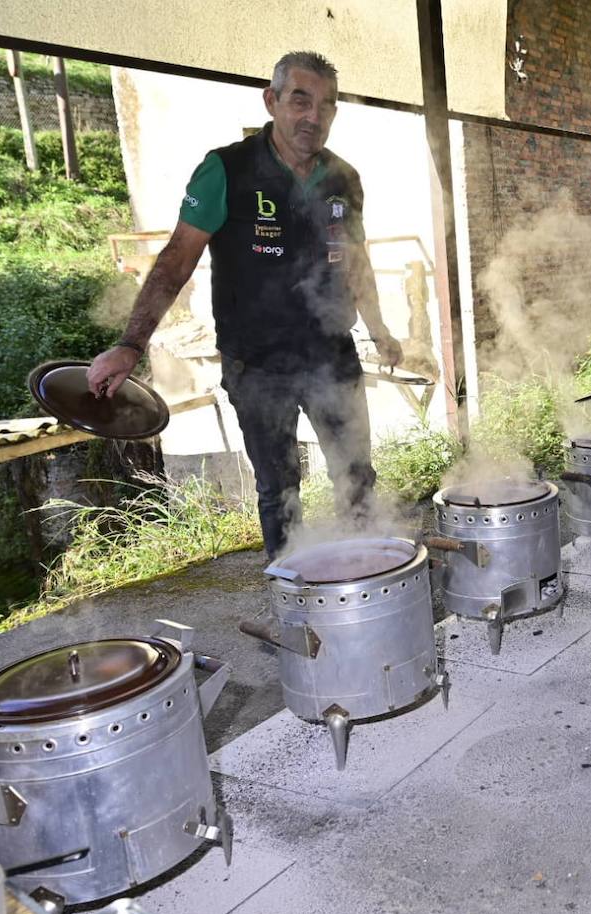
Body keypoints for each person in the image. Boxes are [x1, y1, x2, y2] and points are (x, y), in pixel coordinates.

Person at [86, 51, 401, 558]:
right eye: (301, 100)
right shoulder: (226, 170)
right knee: (280, 490)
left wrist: (381, 329)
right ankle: (295, 605)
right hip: (257, 365)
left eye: (327, 105)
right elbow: (175, 260)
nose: (313, 116)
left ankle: (369, 590)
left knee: (358, 478)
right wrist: (130, 344)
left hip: (332, 355)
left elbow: (356, 261)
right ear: (272, 101)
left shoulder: (344, 178)